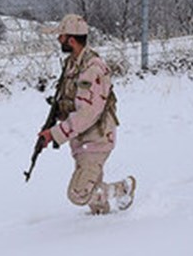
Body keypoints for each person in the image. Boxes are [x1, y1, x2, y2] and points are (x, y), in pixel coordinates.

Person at [38, 14, 136, 214]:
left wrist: (55, 134)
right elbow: (69, 99)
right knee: (94, 197)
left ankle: (122, 189)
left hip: (96, 138)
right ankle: (101, 225)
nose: (59, 40)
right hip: (81, 138)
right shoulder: (72, 63)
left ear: (71, 40)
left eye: (61, 37)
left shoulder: (92, 69)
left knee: (79, 193)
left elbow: (87, 113)